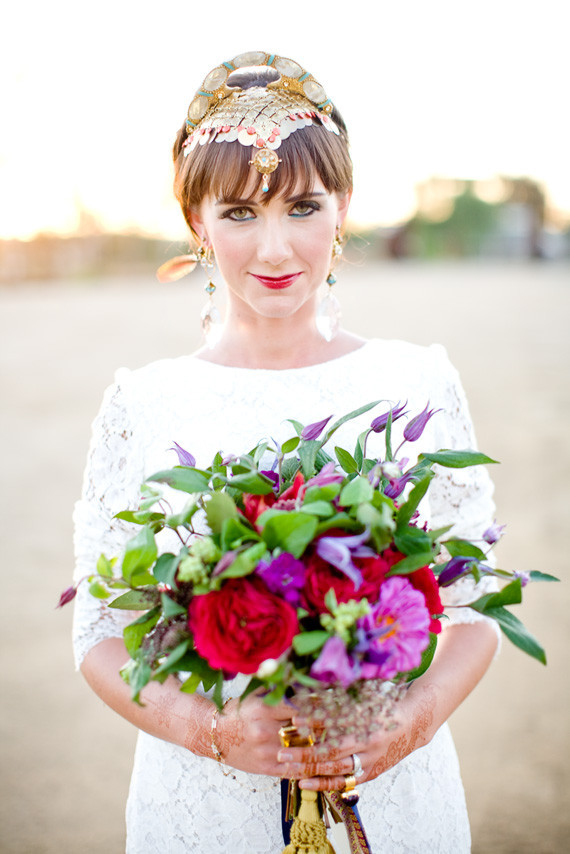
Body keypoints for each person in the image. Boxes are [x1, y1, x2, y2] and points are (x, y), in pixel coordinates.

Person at [73, 51, 499, 853]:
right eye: (239, 213)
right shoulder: (144, 403)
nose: (275, 250)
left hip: (395, 796)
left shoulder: (417, 381)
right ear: (195, 220)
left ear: (343, 206)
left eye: (303, 206)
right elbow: (96, 630)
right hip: (204, 807)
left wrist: (404, 727)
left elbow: (474, 604)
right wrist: (211, 731)